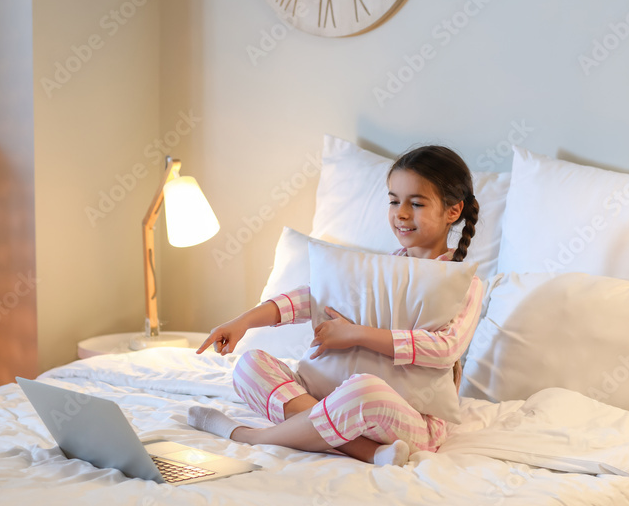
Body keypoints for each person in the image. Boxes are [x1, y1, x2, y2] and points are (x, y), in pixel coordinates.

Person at [188, 145, 482, 467]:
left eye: (416, 203)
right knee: (249, 366)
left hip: (413, 419)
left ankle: (250, 436)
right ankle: (365, 450)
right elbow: (315, 299)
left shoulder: (463, 283)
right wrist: (243, 321)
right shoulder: (380, 268)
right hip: (331, 397)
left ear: (453, 211)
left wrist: (356, 334)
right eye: (394, 201)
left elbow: (444, 348)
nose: (401, 213)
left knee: (365, 391)